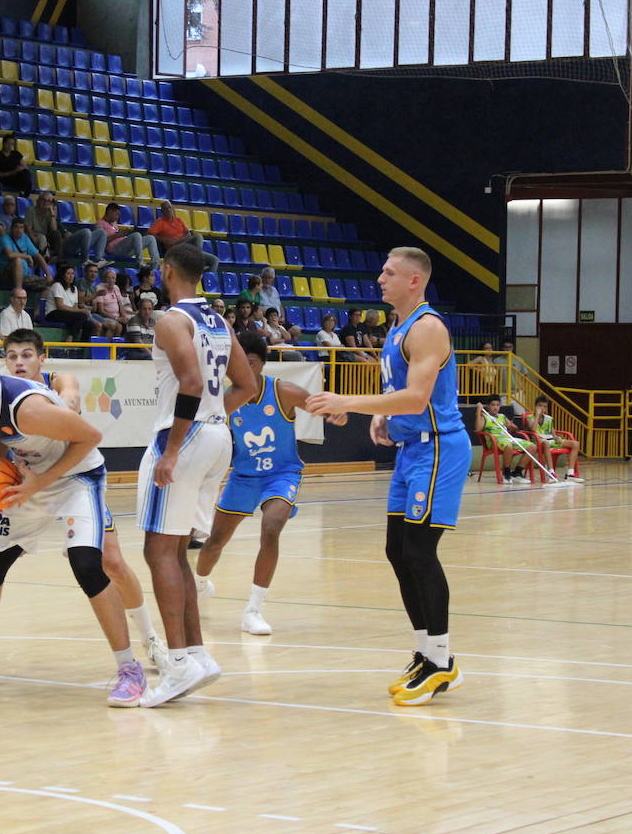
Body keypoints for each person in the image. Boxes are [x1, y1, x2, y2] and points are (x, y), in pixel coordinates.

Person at [0, 343, 146, 706]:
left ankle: (130, 670)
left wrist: (41, 482)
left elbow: (91, 438)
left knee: (87, 565)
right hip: (30, 478)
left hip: (77, 477)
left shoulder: (28, 408)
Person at [306, 246, 472, 707]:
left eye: (389, 272)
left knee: (419, 550)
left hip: (438, 448)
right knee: (397, 550)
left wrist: (349, 403)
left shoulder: (428, 327)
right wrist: (383, 416)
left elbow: (417, 398)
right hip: (410, 448)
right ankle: (425, 652)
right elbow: (402, 393)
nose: (380, 278)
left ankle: (442, 661)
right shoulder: (397, 327)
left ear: (414, 280)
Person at [0, 329, 169, 667]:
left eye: (27, 355)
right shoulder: (2, 395)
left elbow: (71, 396)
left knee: (112, 562)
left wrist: (64, 403)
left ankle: (150, 638)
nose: (19, 362)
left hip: (76, 479)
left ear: (42, 359)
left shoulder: (59, 381)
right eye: (12, 356)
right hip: (35, 485)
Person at [135, 242, 255, 708]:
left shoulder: (172, 320)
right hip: (217, 436)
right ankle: (197, 654)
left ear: (168, 271)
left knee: (157, 550)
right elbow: (247, 384)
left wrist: (172, 449)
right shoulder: (218, 320)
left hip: (183, 437)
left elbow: (189, 382)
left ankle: (180, 662)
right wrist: (211, 416)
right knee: (176, 551)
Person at [193, 332, 341, 633]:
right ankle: (198, 585)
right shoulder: (225, 399)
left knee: (271, 527)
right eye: (239, 363)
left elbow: (317, 404)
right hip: (243, 476)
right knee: (214, 542)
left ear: (262, 363)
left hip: (281, 474)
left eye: (250, 362)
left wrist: (336, 411)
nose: (244, 368)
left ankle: (253, 610)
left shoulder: (283, 391)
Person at [525, 395, 583, 481]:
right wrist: (537, 416)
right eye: (540, 406)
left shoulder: (549, 419)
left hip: (550, 440)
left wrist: (557, 438)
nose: (542, 408)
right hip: (538, 442)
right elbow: (533, 429)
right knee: (546, 443)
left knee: (575, 444)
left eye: (544, 407)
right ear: (535, 406)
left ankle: (570, 473)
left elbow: (553, 434)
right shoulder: (529, 418)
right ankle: (551, 472)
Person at [478, 394, 529, 484]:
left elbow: (515, 429)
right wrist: (478, 411)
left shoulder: (502, 416)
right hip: (494, 441)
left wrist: (512, 427)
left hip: (508, 439)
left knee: (532, 447)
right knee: (508, 446)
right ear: (488, 406)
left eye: (497, 405)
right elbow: (478, 428)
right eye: (493, 405)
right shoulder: (484, 416)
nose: (495, 407)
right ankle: (506, 472)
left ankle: (517, 472)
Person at [147, 201, 212, 268]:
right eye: (166, 208)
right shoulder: (160, 222)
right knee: (198, 237)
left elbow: (188, 233)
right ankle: (196, 262)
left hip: (184, 244)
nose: (168, 210)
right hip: (174, 248)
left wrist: (181, 240)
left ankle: (196, 261)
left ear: (172, 209)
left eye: (169, 208)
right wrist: (164, 239)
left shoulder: (179, 220)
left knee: (214, 260)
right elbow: (149, 234)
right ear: (162, 211)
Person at [0, 218, 46, 291]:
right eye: (16, 227)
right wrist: (27, 256)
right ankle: (18, 290)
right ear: (11, 228)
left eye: (21, 227)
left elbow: (38, 256)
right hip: (3, 276)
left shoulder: (25, 238)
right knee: (17, 260)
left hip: (23, 276)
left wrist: (48, 275)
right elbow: (9, 254)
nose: (19, 230)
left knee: (47, 283)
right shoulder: (5, 238)